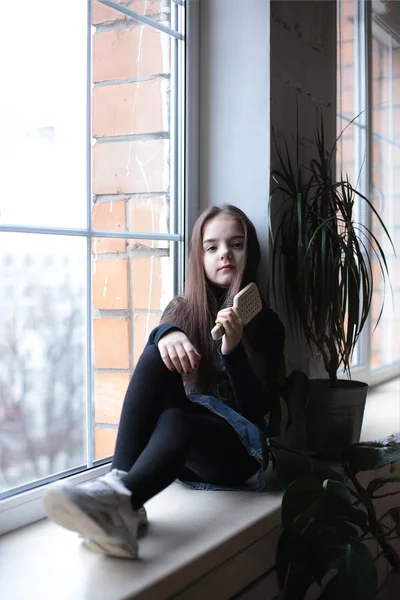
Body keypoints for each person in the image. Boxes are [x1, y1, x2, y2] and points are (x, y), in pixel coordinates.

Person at [43, 204, 285, 559]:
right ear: (198, 257)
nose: (224, 255)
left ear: (251, 252)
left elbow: (258, 411)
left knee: (179, 416)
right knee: (164, 374)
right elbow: (154, 384)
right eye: (212, 247)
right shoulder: (183, 309)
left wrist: (233, 352)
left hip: (240, 452)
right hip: (185, 444)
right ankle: (123, 492)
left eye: (236, 244)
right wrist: (164, 332)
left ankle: (119, 498)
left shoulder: (266, 323)